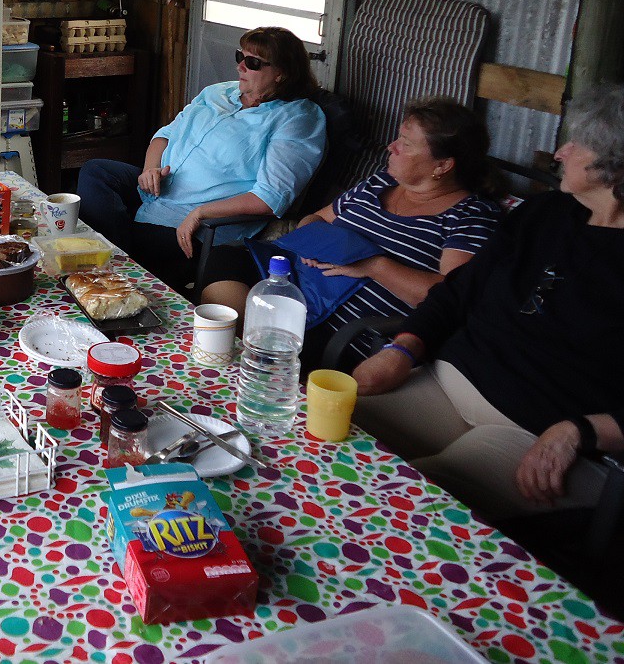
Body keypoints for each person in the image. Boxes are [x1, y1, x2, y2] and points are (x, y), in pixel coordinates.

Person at [352, 85, 624, 520]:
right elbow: (459, 289)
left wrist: (581, 431)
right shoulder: (545, 213)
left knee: (403, 503)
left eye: (578, 144)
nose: (560, 153)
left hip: (534, 431)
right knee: (329, 436)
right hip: (446, 384)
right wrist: (403, 348)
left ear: (615, 166)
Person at [200, 97, 502, 363]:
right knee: (227, 259)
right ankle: (243, 350)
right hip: (301, 284)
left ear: (442, 166)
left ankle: (250, 352)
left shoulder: (471, 216)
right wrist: (315, 244)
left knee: (269, 330)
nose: (391, 147)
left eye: (406, 144)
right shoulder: (381, 182)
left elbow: (450, 296)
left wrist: (373, 266)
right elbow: (315, 218)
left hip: (346, 324)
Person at [78, 26, 327, 289]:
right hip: (160, 189)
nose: (240, 67)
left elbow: (269, 198)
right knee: (96, 171)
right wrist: (150, 168)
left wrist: (201, 212)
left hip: (194, 224)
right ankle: (114, 259)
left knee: (106, 236)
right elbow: (165, 134)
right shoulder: (218, 93)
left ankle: (111, 265)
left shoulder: (297, 119)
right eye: (239, 56)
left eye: (252, 63)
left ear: (281, 73)